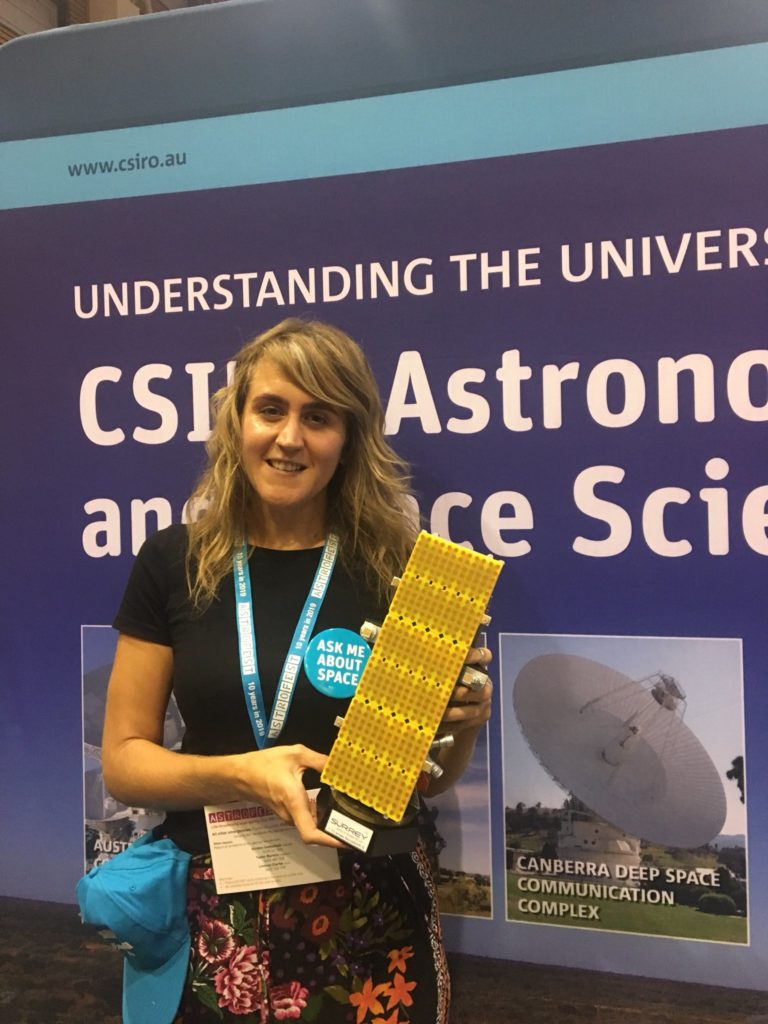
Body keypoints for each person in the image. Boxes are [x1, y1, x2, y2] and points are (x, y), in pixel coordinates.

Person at [102, 318, 493, 1023]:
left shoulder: (402, 570)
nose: (289, 438)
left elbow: (426, 777)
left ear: (349, 438)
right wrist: (243, 773)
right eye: (271, 410)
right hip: (216, 919)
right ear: (237, 422)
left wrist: (462, 724)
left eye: (318, 417)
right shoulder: (173, 561)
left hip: (372, 917)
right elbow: (126, 765)